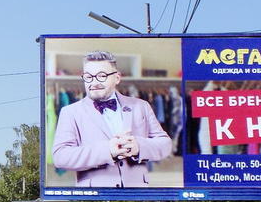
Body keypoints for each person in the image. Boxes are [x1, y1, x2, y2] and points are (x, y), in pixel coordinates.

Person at [52, 51, 173, 187]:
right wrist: (107, 150)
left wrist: (139, 146)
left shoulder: (141, 106)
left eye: (101, 76)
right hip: (95, 198)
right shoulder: (70, 112)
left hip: (138, 196)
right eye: (88, 77)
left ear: (117, 78)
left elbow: (166, 145)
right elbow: (60, 157)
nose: (94, 82)